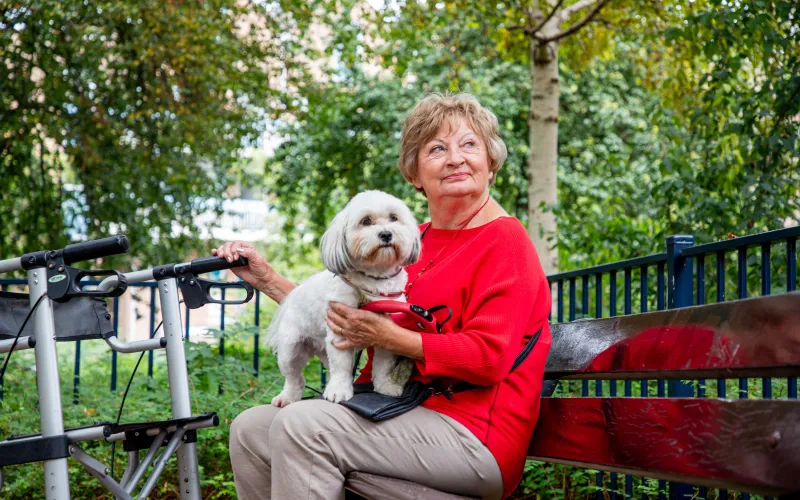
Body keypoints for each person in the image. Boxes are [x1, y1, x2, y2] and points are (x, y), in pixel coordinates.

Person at [215, 93, 552, 500]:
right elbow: (343, 311)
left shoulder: (504, 241)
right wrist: (266, 279)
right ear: (414, 172)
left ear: (490, 161)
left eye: (469, 145)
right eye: (437, 149)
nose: (456, 159)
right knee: (251, 429)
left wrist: (388, 337)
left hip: (473, 433)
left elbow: (489, 358)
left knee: (304, 425)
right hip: (399, 411)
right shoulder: (414, 239)